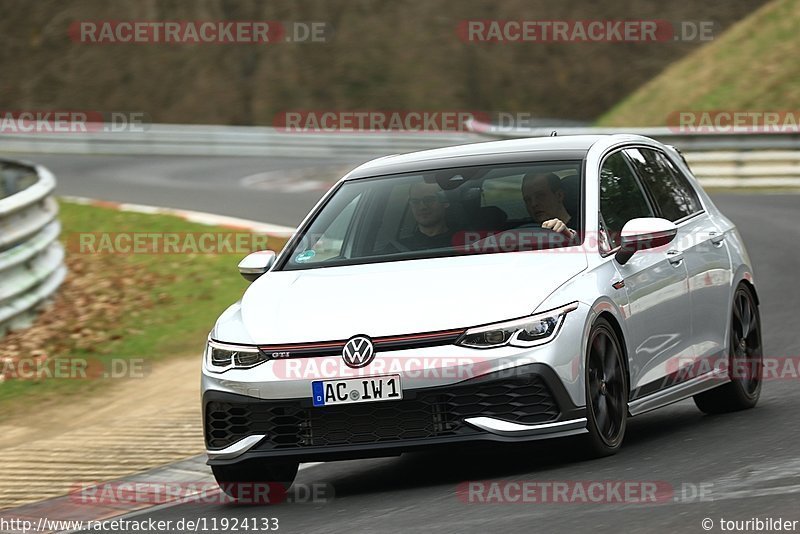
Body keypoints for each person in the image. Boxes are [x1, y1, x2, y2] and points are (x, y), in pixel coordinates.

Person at [398, 182, 454, 250]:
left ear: (445, 202)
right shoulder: (398, 249)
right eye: (415, 202)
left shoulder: (465, 243)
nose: (422, 207)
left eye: (429, 200)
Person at [521, 172, 576, 239]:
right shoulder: (524, 229)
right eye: (528, 200)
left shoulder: (585, 225)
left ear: (559, 195)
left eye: (540, 196)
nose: (533, 204)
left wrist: (569, 235)